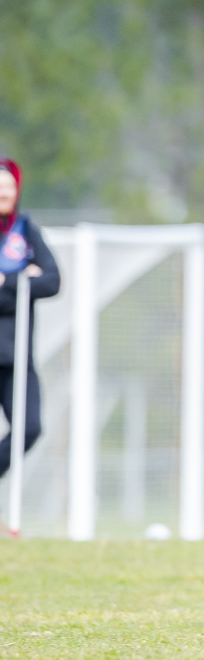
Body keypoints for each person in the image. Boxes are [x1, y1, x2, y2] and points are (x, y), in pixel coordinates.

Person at [0, 158, 60, 480]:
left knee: (30, 428)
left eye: (8, 186)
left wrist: (10, 281)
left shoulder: (25, 232)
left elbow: (52, 281)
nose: (4, 192)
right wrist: (22, 280)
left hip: (16, 358)